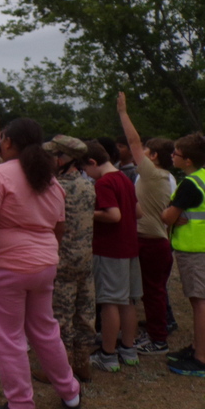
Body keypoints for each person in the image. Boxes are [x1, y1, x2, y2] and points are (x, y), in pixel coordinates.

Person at [0, 118, 80, 409]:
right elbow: (59, 226)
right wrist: (45, 256)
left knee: (9, 339)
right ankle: (70, 393)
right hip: (44, 266)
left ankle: (20, 403)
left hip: (5, 268)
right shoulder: (50, 181)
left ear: (7, 142)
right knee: (46, 331)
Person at [34, 134, 96, 384]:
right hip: (85, 259)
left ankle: (60, 369)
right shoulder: (87, 184)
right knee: (85, 312)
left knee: (60, 316)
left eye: (52, 156)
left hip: (62, 260)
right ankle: (82, 364)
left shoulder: (55, 188)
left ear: (63, 159)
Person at [117, 92, 175, 355]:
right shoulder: (162, 176)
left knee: (152, 293)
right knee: (152, 292)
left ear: (154, 156)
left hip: (151, 244)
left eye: (147, 152)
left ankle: (158, 340)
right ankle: (155, 333)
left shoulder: (152, 174)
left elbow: (133, 141)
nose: (141, 154)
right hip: (154, 242)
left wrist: (123, 113)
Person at [82, 140, 142, 372]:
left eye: (85, 169)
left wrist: (88, 211)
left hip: (110, 250)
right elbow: (138, 212)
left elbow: (114, 215)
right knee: (127, 301)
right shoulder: (124, 179)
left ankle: (107, 355)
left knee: (109, 303)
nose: (86, 174)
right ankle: (128, 349)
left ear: (92, 162)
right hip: (130, 248)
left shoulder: (104, 183)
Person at [162, 133, 205, 377]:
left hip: (195, 250)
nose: (172, 156)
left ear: (187, 160)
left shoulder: (190, 184)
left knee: (200, 303)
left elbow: (168, 217)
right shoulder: (203, 177)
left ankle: (201, 359)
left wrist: (167, 213)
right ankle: (198, 347)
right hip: (200, 248)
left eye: (175, 153)